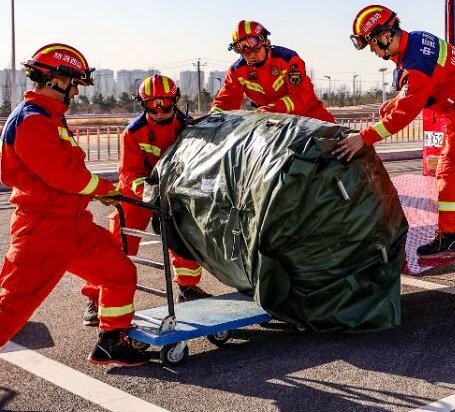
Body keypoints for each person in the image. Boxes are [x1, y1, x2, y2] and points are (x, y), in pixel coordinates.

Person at [333, 5, 455, 255]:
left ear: (385, 36)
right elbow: (423, 86)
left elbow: (403, 116)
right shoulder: (416, 40)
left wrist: (363, 138)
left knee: (449, 171)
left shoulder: (416, 66)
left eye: (372, 44)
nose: (373, 51)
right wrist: (395, 102)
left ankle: (450, 236)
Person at [0, 44, 150, 366]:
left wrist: (97, 192)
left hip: (72, 223)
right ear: (55, 80)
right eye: (74, 83)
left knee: (119, 272)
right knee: (11, 306)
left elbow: (69, 173)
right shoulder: (32, 120)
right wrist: (104, 189)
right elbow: (63, 175)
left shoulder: (49, 116)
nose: (76, 91)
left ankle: (112, 341)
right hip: (43, 228)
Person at [81, 74, 207, 327]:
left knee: (185, 237)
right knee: (119, 243)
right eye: (152, 105)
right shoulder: (134, 131)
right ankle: (95, 298)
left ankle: (188, 287)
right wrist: (149, 193)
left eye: (165, 104)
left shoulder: (188, 127)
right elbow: (129, 172)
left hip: (173, 189)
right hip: (137, 190)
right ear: (143, 104)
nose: (159, 111)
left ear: (175, 101)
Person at [211, 20, 335, 122]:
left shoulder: (288, 60)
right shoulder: (237, 71)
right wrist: (213, 118)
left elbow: (299, 96)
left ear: (266, 42)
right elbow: (226, 100)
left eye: (256, 50)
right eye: (246, 53)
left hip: (312, 119)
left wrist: (271, 110)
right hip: (273, 125)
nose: (252, 56)